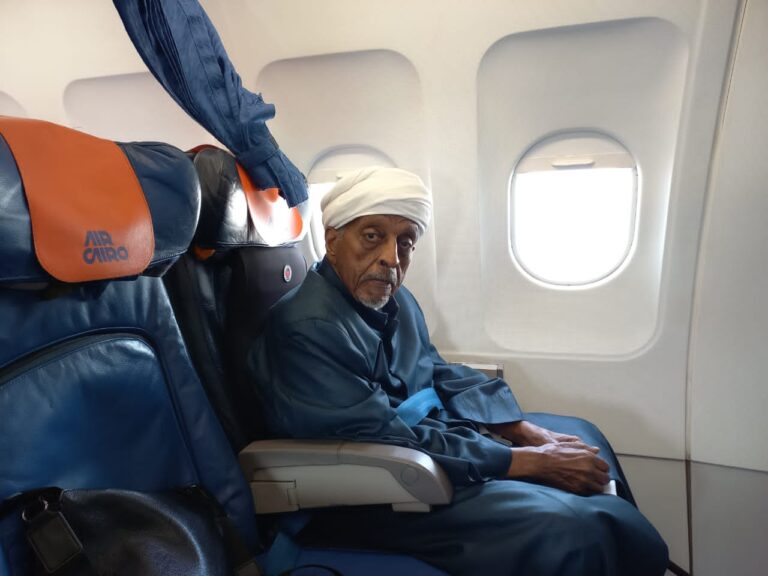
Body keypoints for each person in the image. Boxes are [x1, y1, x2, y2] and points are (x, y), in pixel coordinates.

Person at [249, 166, 669, 576]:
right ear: (332, 240)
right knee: (578, 528)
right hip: (376, 489)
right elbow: (382, 439)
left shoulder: (393, 298)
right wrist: (524, 462)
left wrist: (521, 430)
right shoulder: (308, 328)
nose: (391, 258)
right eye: (372, 236)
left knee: (583, 437)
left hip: (425, 450)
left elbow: (435, 370)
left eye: (405, 243)